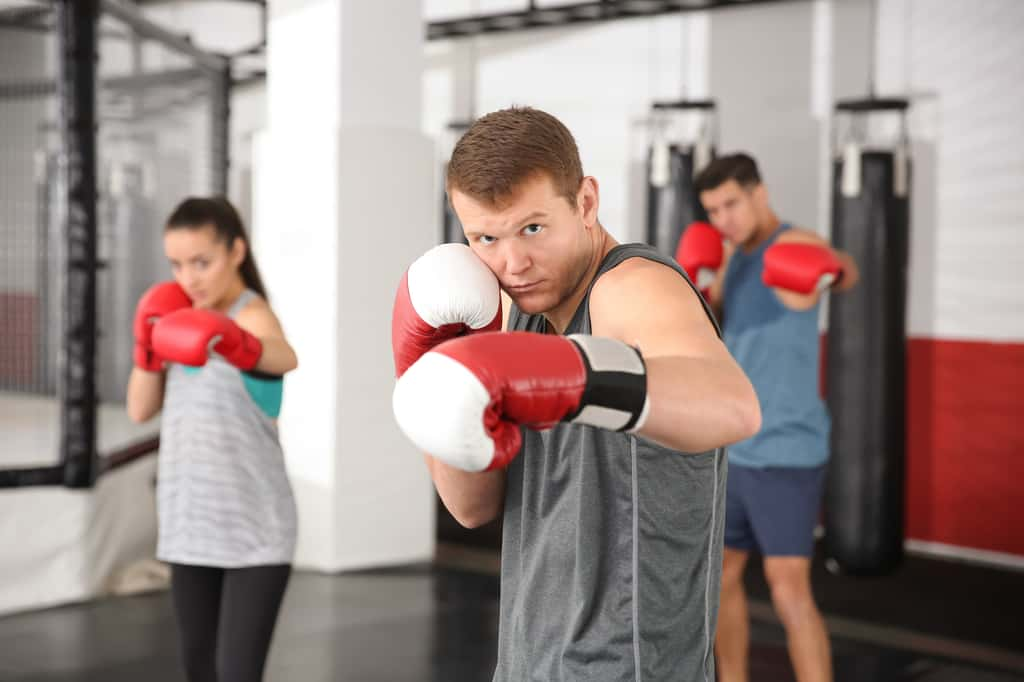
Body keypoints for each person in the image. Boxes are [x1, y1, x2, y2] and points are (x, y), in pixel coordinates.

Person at [391, 106, 762, 680]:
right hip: (527, 658)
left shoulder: (630, 287)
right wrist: (427, 363)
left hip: (625, 666)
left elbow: (733, 405)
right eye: (485, 237)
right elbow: (472, 507)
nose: (512, 262)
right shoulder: (519, 317)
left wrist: (577, 377)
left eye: (532, 228)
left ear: (586, 202)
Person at [684, 153, 860, 682]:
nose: (723, 219)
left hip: (786, 446)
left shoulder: (795, 244)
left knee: (788, 589)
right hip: (733, 442)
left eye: (731, 203)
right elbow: (715, 317)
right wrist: (695, 281)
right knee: (721, 579)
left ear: (759, 192)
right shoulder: (734, 255)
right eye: (713, 210)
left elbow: (844, 271)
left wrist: (830, 270)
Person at [125, 196, 298, 682]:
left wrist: (231, 339)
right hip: (189, 525)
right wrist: (147, 344)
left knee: (236, 675)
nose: (189, 278)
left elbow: (285, 357)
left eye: (202, 262)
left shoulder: (249, 314)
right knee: (198, 671)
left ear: (236, 252)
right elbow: (140, 409)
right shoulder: (174, 322)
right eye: (177, 265)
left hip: (254, 531)